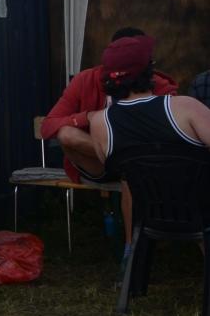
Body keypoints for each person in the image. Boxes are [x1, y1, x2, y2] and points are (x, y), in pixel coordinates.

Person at [39, 26, 177, 248]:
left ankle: (132, 250)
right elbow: (48, 127)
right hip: (99, 161)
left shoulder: (158, 85)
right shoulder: (87, 79)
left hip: (144, 165)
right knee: (67, 134)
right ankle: (137, 248)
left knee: (132, 173)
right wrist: (88, 117)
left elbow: (173, 127)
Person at [88, 34, 210, 178]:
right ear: (149, 71)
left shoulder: (100, 124)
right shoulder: (186, 107)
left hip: (141, 193)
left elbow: (121, 174)